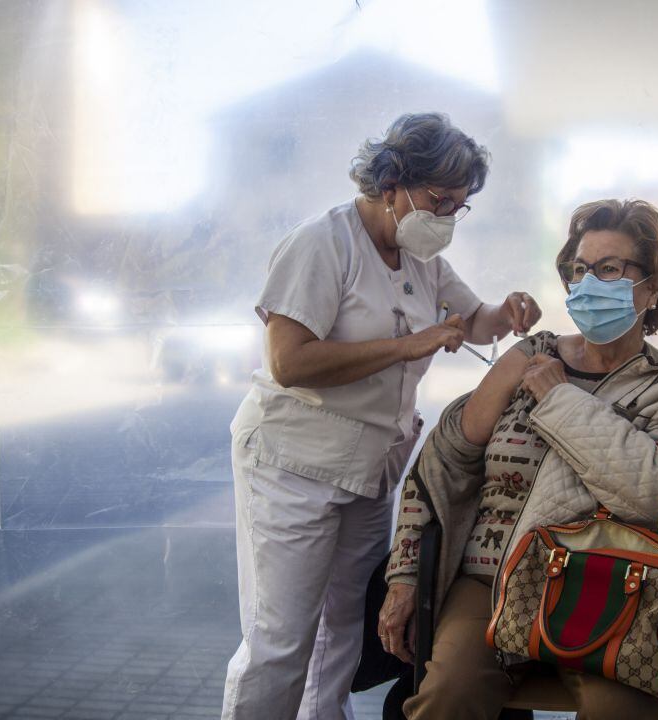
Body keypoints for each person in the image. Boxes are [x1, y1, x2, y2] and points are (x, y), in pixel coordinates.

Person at [379, 198, 658, 719]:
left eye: (609, 268)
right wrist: (403, 578)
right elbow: (442, 467)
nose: (588, 282)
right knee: (451, 693)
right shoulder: (531, 357)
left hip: (618, 589)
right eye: (580, 269)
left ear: (651, 288)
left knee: (621, 710)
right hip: (494, 579)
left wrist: (560, 400)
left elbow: (653, 492)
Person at [221, 112, 543, 720]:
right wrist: (408, 345)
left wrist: (508, 311)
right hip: (292, 467)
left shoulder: (420, 256)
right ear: (390, 182)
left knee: (341, 630)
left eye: (459, 205)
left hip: (371, 470)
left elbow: (472, 319)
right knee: (281, 641)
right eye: (438, 199)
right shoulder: (323, 243)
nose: (446, 216)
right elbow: (289, 362)